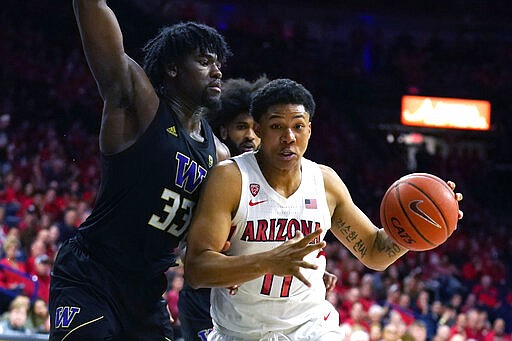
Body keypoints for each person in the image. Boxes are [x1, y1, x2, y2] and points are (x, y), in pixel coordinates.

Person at [184, 79, 463, 340]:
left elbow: (375, 252)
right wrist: (268, 262)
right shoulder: (230, 178)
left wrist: (418, 227)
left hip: (311, 329)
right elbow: (197, 270)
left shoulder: (325, 182)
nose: (289, 137)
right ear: (258, 129)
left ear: (309, 130)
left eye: (298, 126)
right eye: (276, 126)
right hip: (241, 332)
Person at [49, 0, 231, 339]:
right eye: (204, 62)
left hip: (147, 294)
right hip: (91, 276)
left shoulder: (219, 155)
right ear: (173, 69)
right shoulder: (139, 105)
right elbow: (95, 19)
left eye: (218, 64)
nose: (217, 71)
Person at [178, 75, 268, 341]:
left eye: (256, 128)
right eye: (241, 126)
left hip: (248, 302)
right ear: (224, 130)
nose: (250, 135)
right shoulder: (211, 167)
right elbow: (188, 243)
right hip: (204, 296)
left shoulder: (268, 178)